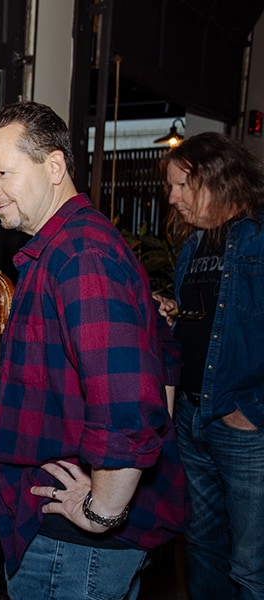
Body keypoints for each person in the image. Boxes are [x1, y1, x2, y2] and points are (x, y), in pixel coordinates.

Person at [0, 101, 186, 599]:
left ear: (53, 166)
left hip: (73, 540)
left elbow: (129, 406)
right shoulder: (69, 246)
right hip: (72, 529)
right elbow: (165, 367)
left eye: (3, 172)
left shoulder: (79, 254)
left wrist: (102, 511)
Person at [153, 131, 264, 600]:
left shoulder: (257, 239)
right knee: (201, 545)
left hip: (241, 423)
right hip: (193, 417)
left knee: (250, 564)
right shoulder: (195, 246)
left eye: (183, 186)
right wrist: (175, 312)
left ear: (218, 180)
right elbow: (216, 319)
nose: (173, 198)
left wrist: (253, 411)